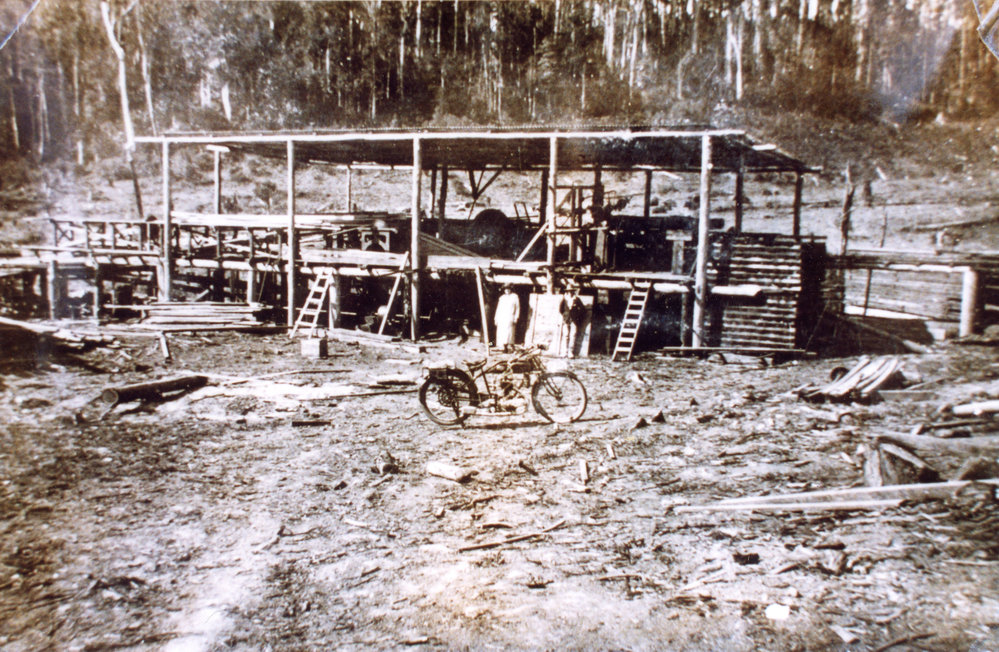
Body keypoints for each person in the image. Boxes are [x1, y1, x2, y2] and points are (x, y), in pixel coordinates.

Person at [494, 285, 520, 352]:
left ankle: (511, 346)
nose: (507, 290)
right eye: (506, 289)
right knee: (502, 332)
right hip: (502, 317)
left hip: (510, 316)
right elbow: (498, 308)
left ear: (511, 289)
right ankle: (504, 347)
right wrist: (496, 318)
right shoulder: (502, 298)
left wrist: (516, 317)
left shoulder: (514, 297)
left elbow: (517, 308)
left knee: (510, 332)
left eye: (508, 289)